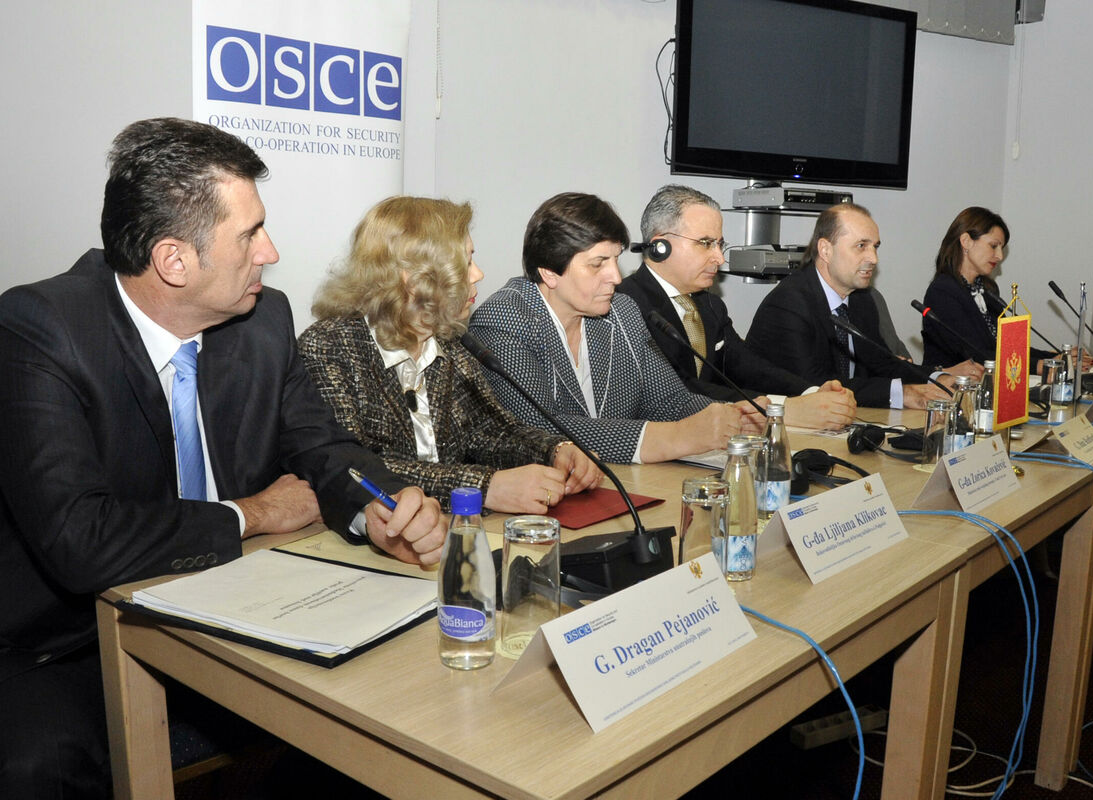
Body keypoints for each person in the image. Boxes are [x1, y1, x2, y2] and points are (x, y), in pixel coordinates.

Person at [0, 118, 445, 799]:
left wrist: (379, 509)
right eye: (250, 234)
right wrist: (252, 513)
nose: (271, 251)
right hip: (68, 639)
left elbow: (324, 448)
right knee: (39, 765)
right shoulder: (40, 329)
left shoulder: (264, 319)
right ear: (174, 260)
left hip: (243, 603)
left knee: (398, 695)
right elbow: (80, 542)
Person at [299, 196, 602, 514]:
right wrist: (483, 487)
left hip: (452, 527)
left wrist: (556, 450)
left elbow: (490, 433)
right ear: (413, 277)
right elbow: (355, 469)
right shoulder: (328, 348)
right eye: (466, 263)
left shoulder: (450, 341)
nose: (478, 274)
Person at [469, 192, 762, 464]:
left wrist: (734, 418)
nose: (616, 277)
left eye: (616, 259)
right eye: (598, 264)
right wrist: (673, 438)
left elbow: (669, 400)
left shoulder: (622, 311)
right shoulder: (504, 318)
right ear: (549, 272)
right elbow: (535, 430)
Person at [617, 184, 857, 431]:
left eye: (720, 244)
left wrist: (811, 393)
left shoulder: (711, 305)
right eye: (706, 243)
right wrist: (781, 409)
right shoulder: (626, 306)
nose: (720, 258)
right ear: (660, 247)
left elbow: (746, 365)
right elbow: (678, 390)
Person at [745, 203, 979, 409]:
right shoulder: (789, 303)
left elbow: (883, 363)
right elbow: (815, 385)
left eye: (875, 246)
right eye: (861, 246)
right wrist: (903, 394)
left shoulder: (862, 299)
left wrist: (938, 377)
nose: (873, 258)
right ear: (825, 250)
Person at [922, 206, 1089, 373]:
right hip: (951, 386)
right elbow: (975, 355)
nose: (1000, 256)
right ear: (966, 241)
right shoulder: (942, 292)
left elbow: (1008, 349)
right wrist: (1040, 366)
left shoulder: (988, 291)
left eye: (1001, 248)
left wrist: (1057, 358)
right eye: (993, 246)